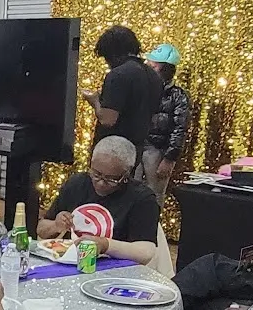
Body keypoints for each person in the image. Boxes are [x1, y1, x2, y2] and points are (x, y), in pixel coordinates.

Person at [36, 136, 159, 265]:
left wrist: (105, 245)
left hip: (115, 268)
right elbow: (41, 230)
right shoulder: (77, 183)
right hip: (69, 262)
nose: (100, 183)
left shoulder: (141, 197)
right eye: (96, 174)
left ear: (126, 174)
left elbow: (146, 252)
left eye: (111, 179)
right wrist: (55, 225)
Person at [81, 25, 162, 163]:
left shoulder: (118, 74)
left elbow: (107, 120)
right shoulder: (154, 76)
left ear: (111, 53)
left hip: (112, 151)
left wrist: (95, 101)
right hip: (136, 148)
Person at [140, 43, 190, 201]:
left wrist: (169, 158)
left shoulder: (178, 96)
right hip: (137, 145)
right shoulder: (142, 89)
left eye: (153, 66)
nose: (149, 69)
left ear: (165, 69)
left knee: (155, 195)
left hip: (158, 150)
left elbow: (180, 129)